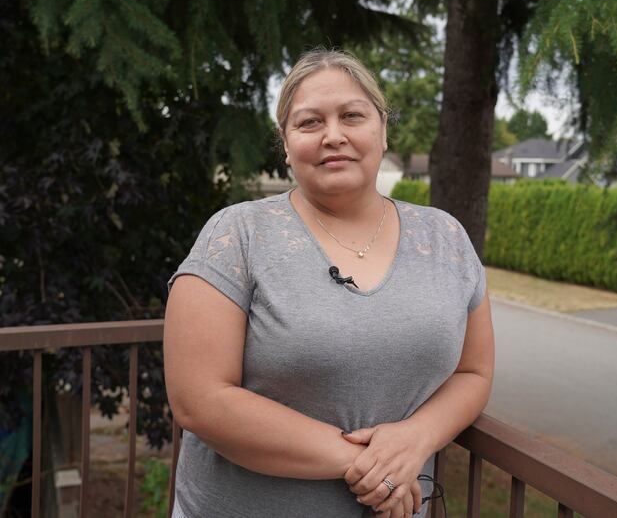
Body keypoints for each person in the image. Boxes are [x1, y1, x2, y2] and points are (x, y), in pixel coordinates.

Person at [163, 49, 495, 517]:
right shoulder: (237, 234)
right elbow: (199, 400)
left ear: (382, 129)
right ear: (285, 143)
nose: (333, 136)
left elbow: (473, 373)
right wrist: (371, 464)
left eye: (352, 116)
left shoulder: (446, 237)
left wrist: (416, 437)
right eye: (309, 123)